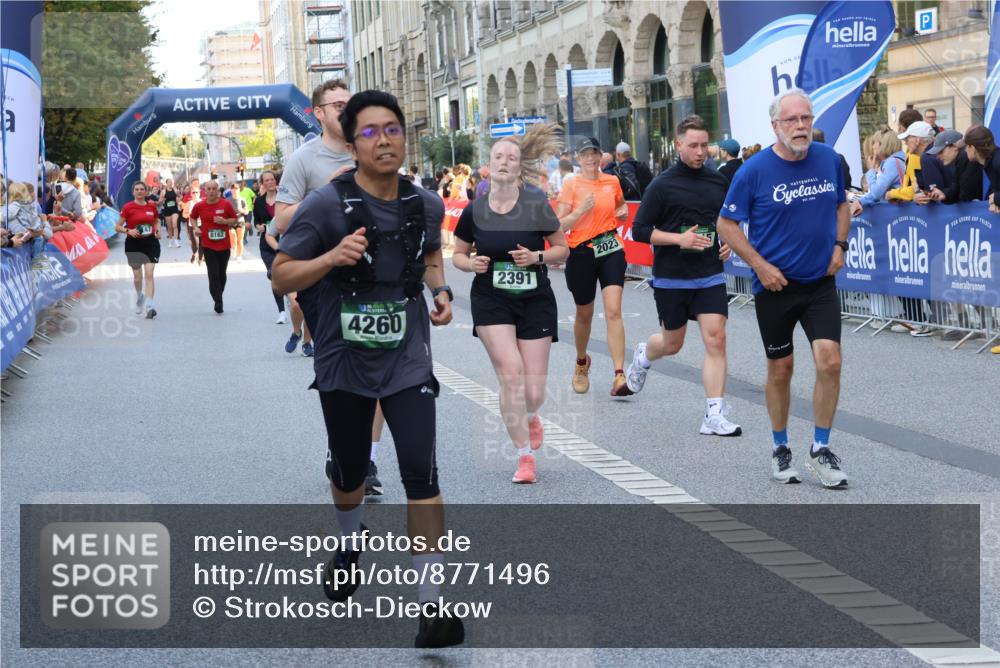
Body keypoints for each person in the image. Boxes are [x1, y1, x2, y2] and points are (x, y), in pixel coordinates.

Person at [271, 90, 464, 647]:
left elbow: (429, 253)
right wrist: (332, 258)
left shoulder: (426, 203)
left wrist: (440, 289)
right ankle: (349, 541)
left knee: (421, 475)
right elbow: (282, 277)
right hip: (343, 360)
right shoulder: (326, 206)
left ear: (406, 136)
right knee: (350, 475)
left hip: (407, 359)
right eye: (371, 132)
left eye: (393, 129)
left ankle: (432, 607)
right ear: (351, 145)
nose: (385, 140)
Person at [716, 88, 849, 489]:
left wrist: (840, 245)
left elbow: (843, 204)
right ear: (775, 125)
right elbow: (726, 225)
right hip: (775, 287)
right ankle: (780, 447)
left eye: (806, 118)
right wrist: (759, 265)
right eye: (792, 120)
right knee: (781, 368)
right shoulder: (753, 170)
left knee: (830, 361)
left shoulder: (829, 160)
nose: (801, 126)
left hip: (820, 283)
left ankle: (821, 448)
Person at [452, 124, 569, 484]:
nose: (505, 162)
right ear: (488, 166)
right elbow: (458, 254)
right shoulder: (475, 210)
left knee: (532, 390)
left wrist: (536, 256)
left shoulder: (536, 204)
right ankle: (524, 457)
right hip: (491, 299)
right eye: (499, 157)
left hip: (534, 299)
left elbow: (562, 249)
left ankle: (530, 415)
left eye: (512, 157)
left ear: (520, 167)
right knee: (511, 374)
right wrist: (471, 263)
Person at [627, 115, 742, 437]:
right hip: (672, 276)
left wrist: (726, 244)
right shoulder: (662, 185)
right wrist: (679, 239)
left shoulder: (718, 181)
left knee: (716, 337)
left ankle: (714, 414)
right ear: (678, 145)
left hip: (709, 273)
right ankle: (643, 356)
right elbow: (639, 231)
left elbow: (726, 223)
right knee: (671, 343)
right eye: (693, 145)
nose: (700, 151)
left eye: (705, 145)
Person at [556, 137, 631, 396]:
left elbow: (621, 207)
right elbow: (560, 225)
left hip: (610, 249)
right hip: (581, 253)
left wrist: (622, 214)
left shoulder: (612, 181)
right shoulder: (571, 184)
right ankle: (581, 362)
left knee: (613, 311)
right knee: (584, 314)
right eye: (585, 155)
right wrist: (580, 212)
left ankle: (619, 375)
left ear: (601, 156)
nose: (590, 159)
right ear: (578, 158)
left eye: (594, 154)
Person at [189, 181, 238, 314]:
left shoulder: (225, 204)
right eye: (208, 189)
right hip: (208, 245)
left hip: (224, 245)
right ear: (205, 191)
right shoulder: (200, 205)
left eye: (214, 189)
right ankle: (218, 301)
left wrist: (225, 221)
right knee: (213, 274)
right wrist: (195, 228)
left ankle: (218, 294)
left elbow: (235, 219)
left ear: (218, 191)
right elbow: (192, 218)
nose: (211, 191)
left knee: (222, 274)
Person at [115, 181, 161, 319]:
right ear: (133, 192)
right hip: (133, 244)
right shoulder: (128, 207)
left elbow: (156, 220)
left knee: (149, 274)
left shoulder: (151, 207)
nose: (140, 191)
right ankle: (140, 294)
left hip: (150, 243)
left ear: (146, 192)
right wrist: (128, 230)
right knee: (137, 277)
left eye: (142, 189)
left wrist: (157, 229)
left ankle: (149, 305)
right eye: (137, 189)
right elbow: (117, 227)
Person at [255, 170, 287, 324]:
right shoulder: (259, 202)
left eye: (272, 179)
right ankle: (281, 311)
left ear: (276, 181)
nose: (269, 183)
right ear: (263, 183)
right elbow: (257, 221)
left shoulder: (285, 198)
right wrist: (260, 226)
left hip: (286, 242)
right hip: (266, 244)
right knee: (274, 274)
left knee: (286, 274)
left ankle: (291, 297)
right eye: (266, 180)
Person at [963, 125, 1000, 214]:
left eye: (966, 146)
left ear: (972, 147)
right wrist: (993, 200)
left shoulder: (997, 161)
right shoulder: (991, 161)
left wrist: (996, 198)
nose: (965, 150)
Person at [226, 185, 249, 262]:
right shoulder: (227, 200)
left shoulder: (242, 199)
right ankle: (233, 247)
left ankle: (239, 256)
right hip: (231, 222)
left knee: (240, 240)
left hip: (240, 221)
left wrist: (241, 210)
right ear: (231, 190)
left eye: (236, 189)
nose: (235, 190)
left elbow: (247, 211)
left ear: (239, 190)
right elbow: (224, 210)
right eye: (233, 189)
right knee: (233, 237)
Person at [161, 179, 181, 247]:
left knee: (174, 224)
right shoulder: (163, 191)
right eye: (169, 182)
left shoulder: (175, 190)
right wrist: (162, 201)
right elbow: (160, 201)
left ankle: (176, 241)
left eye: (171, 182)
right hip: (167, 210)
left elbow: (180, 196)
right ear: (166, 183)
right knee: (169, 227)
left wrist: (178, 202)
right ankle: (170, 240)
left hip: (174, 210)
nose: (170, 183)